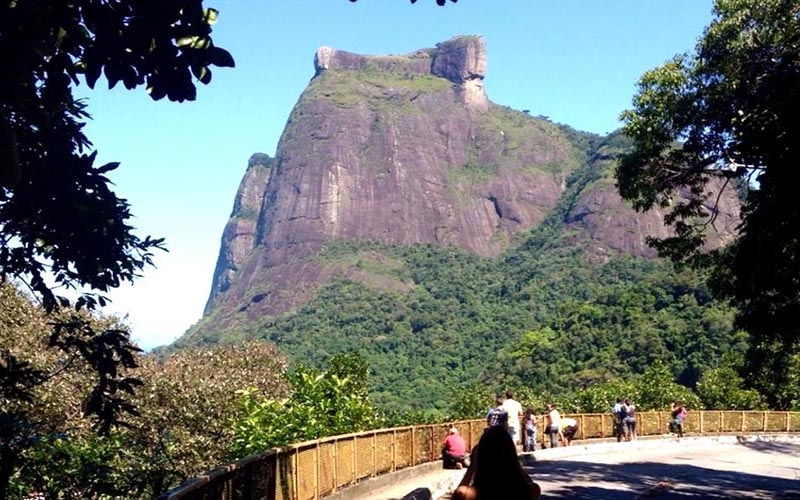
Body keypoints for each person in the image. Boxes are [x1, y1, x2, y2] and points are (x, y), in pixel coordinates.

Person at [452, 425, 542, 500]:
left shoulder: (466, 494)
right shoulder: (531, 491)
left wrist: (471, 468)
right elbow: (529, 483)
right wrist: (513, 461)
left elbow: (457, 495)